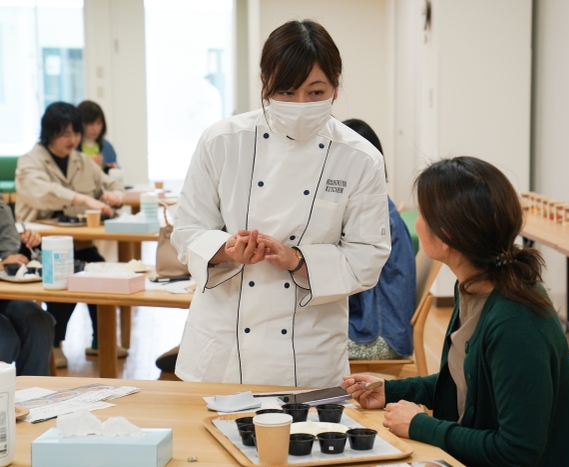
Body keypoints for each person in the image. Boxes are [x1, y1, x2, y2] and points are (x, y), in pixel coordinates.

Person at [172, 20, 391, 387]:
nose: (300, 105)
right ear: (264, 84)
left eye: (315, 91)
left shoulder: (360, 158)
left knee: (305, 443)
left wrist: (298, 260)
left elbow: (367, 256)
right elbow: (188, 230)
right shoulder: (223, 141)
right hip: (224, 345)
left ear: (336, 86)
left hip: (308, 349)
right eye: (286, 93)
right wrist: (226, 249)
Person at [342, 157, 569, 466]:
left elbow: (518, 452)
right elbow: (465, 380)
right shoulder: (473, 287)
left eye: (423, 214)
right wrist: (391, 390)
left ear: (447, 237)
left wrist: (422, 425)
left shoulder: (516, 322)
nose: (417, 221)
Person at [14, 102, 126, 368]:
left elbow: (112, 182)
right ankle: (54, 341)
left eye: (75, 133)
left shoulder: (80, 160)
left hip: (76, 241)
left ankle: (102, 340)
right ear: (49, 133)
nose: (72, 139)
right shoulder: (29, 162)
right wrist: (84, 199)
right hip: (35, 243)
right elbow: (43, 191)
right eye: (65, 134)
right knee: (68, 272)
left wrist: (116, 196)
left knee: (99, 269)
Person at [342, 118, 416, 360]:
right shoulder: (374, 203)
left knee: (307, 347)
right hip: (387, 328)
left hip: (382, 336)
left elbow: (349, 280)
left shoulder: (372, 214)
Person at [0, 201, 55, 376]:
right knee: (5, 339)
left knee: (38, 321)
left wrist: (28, 246)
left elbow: (12, 256)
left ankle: (32, 398)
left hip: (5, 295)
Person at [77, 100, 118, 172]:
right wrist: (87, 164)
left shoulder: (106, 146)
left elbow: (116, 172)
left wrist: (114, 170)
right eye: (90, 124)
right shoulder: (72, 147)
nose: (95, 129)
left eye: (99, 123)